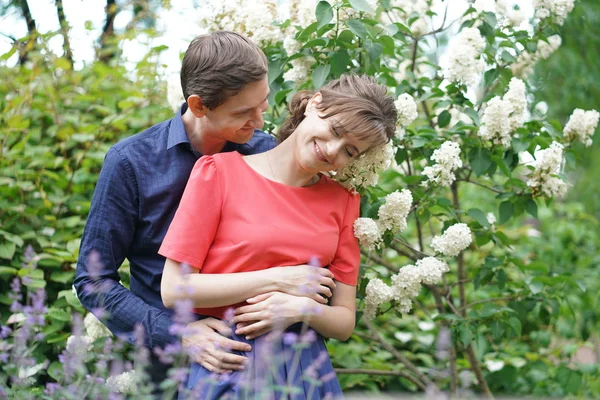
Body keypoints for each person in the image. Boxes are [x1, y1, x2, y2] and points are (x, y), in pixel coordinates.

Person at [73, 31, 331, 393]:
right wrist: (178, 333)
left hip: (262, 358)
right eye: (242, 112)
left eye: (263, 103)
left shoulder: (266, 152)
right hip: (168, 365)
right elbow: (93, 281)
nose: (259, 121)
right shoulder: (130, 162)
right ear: (198, 106)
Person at [159, 74, 398, 398]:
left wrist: (301, 309)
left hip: (305, 368)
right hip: (230, 360)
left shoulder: (344, 202)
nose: (332, 150)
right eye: (335, 131)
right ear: (316, 104)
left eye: (350, 151)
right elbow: (174, 289)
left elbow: (344, 320)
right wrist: (277, 279)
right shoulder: (218, 173)